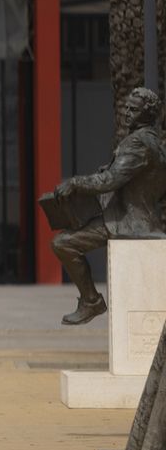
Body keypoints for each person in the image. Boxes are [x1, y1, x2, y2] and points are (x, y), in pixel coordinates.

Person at [50, 87, 166, 324]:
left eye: (134, 110)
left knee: (62, 243)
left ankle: (91, 301)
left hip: (128, 221)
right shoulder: (156, 143)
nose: (127, 113)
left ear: (148, 115)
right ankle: (91, 301)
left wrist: (75, 183)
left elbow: (109, 181)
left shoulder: (137, 144)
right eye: (126, 107)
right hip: (139, 216)